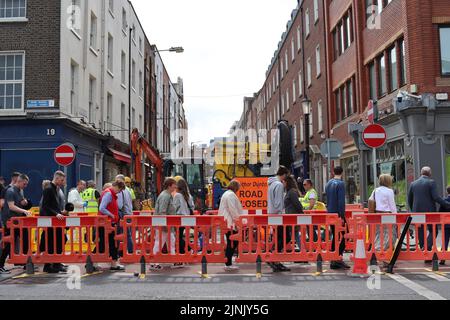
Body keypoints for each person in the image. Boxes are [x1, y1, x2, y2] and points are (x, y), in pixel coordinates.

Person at [408, 167, 450, 262]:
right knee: (433, 231)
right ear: (430, 173)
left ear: (421, 173)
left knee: (420, 231)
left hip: (417, 212)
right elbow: (436, 197)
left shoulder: (413, 184)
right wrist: (447, 205)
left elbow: (409, 199)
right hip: (429, 212)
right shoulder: (431, 183)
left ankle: (425, 251)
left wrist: (413, 210)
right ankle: (427, 248)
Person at [0, 174, 33, 274]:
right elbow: (11, 206)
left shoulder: (21, 191)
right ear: (18, 181)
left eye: (26, 184)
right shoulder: (10, 191)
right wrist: (24, 211)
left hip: (18, 221)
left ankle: (25, 262)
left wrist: (24, 202)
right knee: (9, 243)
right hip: (10, 222)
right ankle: (0, 265)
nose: (25, 186)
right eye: (24, 184)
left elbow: (20, 202)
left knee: (26, 239)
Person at [40, 171, 69, 273]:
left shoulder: (55, 189)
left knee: (58, 241)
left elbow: (53, 205)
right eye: (61, 180)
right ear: (56, 178)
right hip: (50, 221)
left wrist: (60, 212)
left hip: (55, 220)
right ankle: (50, 265)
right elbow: (45, 206)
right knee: (52, 243)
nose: (63, 182)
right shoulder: (48, 189)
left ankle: (55, 264)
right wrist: (56, 214)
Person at [326, 166, 350, 270]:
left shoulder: (328, 184)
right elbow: (341, 201)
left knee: (335, 236)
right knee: (346, 235)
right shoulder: (341, 184)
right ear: (342, 172)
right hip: (338, 214)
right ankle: (337, 257)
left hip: (330, 213)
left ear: (333, 172)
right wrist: (342, 215)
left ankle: (334, 258)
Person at [98, 181, 126, 271]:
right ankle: (113, 264)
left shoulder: (108, 193)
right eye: (120, 189)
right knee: (110, 243)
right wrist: (112, 215)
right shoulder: (109, 194)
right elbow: (102, 208)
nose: (119, 192)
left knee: (104, 243)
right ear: (116, 186)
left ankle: (92, 262)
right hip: (108, 223)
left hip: (106, 222)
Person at [150, 178, 177, 271]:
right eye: (174, 184)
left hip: (165, 224)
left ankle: (173, 260)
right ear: (169, 185)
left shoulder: (166, 195)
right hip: (164, 224)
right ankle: (154, 262)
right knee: (160, 242)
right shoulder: (166, 196)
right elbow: (162, 211)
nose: (175, 186)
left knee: (169, 241)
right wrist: (164, 225)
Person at [267, 166, 291, 272]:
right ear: (284, 174)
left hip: (272, 214)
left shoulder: (271, 184)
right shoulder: (279, 185)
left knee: (279, 238)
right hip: (278, 215)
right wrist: (282, 212)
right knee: (286, 237)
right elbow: (278, 202)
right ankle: (274, 258)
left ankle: (274, 259)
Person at [368, 174, 398, 251]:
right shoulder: (389, 191)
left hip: (377, 215)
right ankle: (382, 251)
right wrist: (396, 215)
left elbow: (370, 200)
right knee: (390, 235)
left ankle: (375, 250)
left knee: (379, 234)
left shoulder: (375, 190)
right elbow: (392, 205)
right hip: (387, 215)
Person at [218, 180, 243, 271]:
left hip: (226, 221)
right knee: (233, 242)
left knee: (231, 242)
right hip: (230, 222)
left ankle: (228, 262)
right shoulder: (231, 195)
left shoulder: (226, 194)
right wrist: (238, 221)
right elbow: (233, 209)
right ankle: (228, 263)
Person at [173, 178, 195, 257]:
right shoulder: (189, 195)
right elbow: (192, 207)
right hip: (187, 219)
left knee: (178, 237)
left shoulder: (177, 195)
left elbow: (174, 208)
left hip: (179, 218)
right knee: (180, 236)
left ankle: (187, 250)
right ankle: (185, 251)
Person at [284, 176, 303, 252]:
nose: (283, 183)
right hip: (290, 217)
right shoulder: (290, 192)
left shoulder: (292, 192)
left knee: (289, 235)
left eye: (284, 182)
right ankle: (303, 251)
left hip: (292, 217)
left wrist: (301, 213)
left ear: (287, 183)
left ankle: (277, 250)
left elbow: (297, 204)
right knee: (295, 235)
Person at [115, 175, 134, 254]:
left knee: (122, 234)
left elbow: (119, 205)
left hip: (124, 215)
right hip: (129, 213)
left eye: (117, 181)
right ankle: (129, 251)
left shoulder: (120, 191)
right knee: (128, 234)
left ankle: (124, 252)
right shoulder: (128, 190)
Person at [439, 186, 450, 265]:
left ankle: (442, 258)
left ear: (447, 192)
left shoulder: (444, 201)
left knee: (445, 240)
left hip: (446, 224)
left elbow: (440, 212)